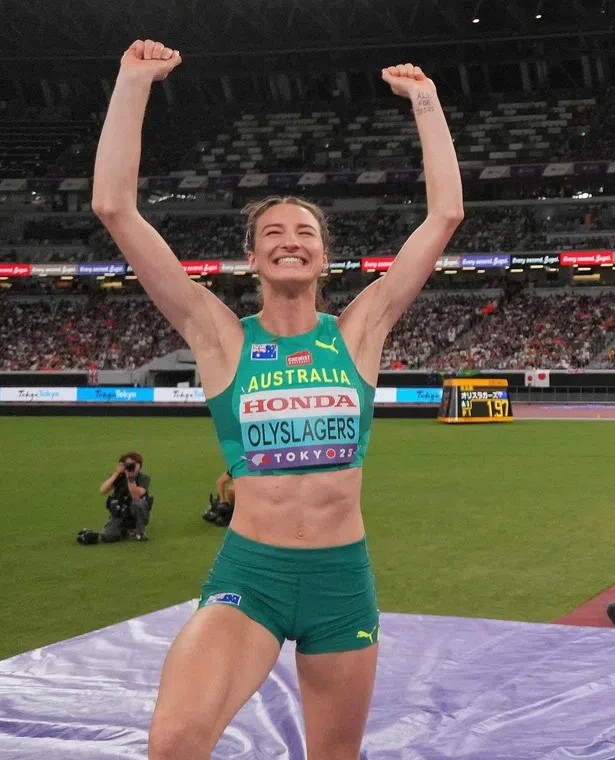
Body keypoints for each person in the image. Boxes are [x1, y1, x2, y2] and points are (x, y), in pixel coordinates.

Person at [92, 40, 463, 760]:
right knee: (174, 743)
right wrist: (133, 83)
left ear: (324, 256)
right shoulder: (219, 337)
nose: (290, 242)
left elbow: (444, 214)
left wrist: (426, 101)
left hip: (340, 582)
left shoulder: (360, 330)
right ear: (253, 258)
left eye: (305, 234)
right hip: (250, 578)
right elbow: (114, 206)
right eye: (273, 234)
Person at [98, 451, 152, 542]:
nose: (131, 467)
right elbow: (103, 490)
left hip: (136, 514)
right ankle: (125, 531)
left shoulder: (143, 478)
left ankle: (139, 531)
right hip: (120, 514)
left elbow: (136, 495)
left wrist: (130, 479)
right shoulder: (119, 477)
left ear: (140, 466)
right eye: (128, 464)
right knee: (108, 537)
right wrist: (116, 473)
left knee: (138, 503)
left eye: (134, 464)